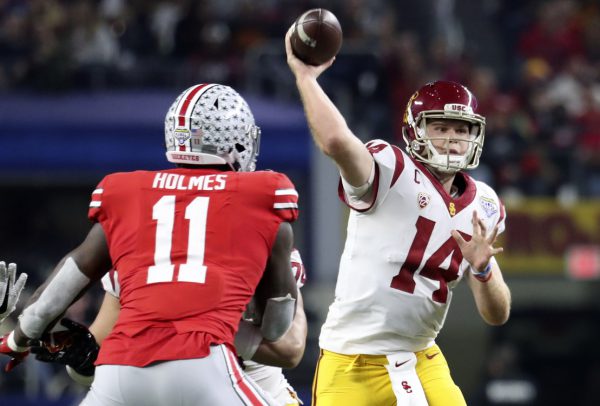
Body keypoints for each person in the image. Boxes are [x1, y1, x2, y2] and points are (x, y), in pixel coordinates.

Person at [0, 83, 301, 406]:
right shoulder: (261, 203)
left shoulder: (129, 202)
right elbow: (277, 329)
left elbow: (64, 283)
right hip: (206, 364)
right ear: (238, 140)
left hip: (124, 369)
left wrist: (16, 337)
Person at [285, 29, 511, 406]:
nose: (452, 138)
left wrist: (484, 270)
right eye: (440, 128)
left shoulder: (484, 204)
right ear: (415, 130)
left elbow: (497, 314)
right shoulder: (391, 168)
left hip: (421, 357)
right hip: (351, 358)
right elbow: (336, 142)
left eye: (462, 129)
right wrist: (306, 78)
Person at [32, 248, 308, 406]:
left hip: (259, 394)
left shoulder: (265, 250)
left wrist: (193, 324)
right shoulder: (140, 258)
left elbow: (290, 349)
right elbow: (96, 364)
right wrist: (82, 361)